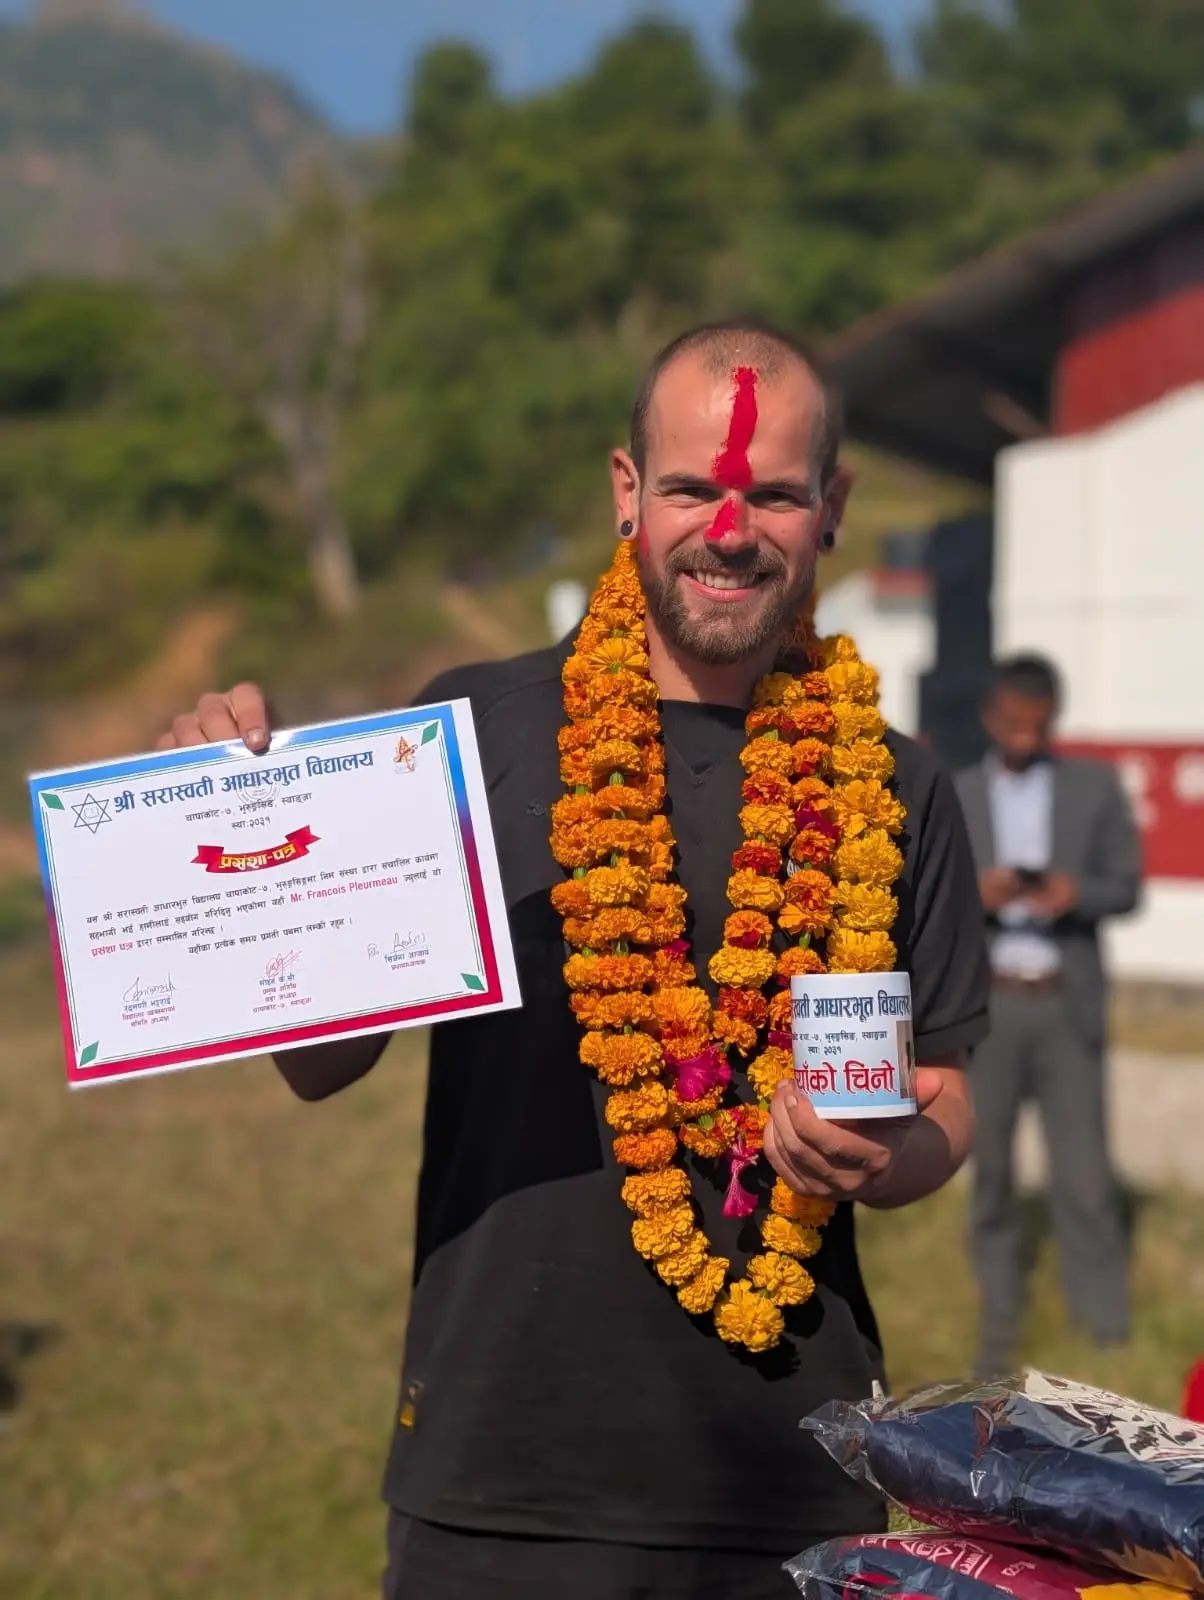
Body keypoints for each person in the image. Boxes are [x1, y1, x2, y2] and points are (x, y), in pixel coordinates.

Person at [160, 319, 989, 1600]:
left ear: (831, 505)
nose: (728, 529)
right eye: (687, 489)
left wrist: (882, 1154)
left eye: (770, 491)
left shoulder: (896, 783)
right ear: (624, 493)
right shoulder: (463, 735)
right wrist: (244, 825)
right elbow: (319, 1064)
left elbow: (943, 1101)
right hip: (503, 1487)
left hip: (790, 1484)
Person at [955, 654, 1141, 1377]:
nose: (1026, 740)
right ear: (989, 718)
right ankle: (998, 1315)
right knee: (992, 1168)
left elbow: (1125, 885)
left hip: (1065, 1002)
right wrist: (982, 893)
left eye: (1038, 727)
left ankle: (1104, 1328)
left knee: (1084, 1171)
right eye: (1013, 726)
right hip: (992, 1005)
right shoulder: (959, 792)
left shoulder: (1094, 789)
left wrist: (1076, 892)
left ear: (1051, 720)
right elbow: (927, 890)